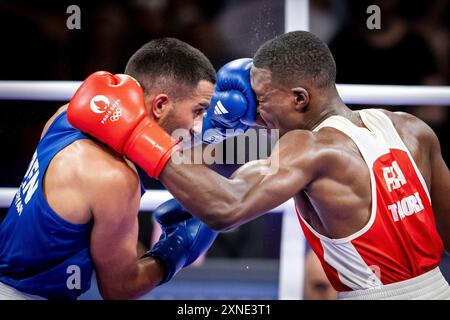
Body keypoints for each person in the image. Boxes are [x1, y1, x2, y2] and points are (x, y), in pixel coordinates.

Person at [68, 31, 450, 299]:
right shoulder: (411, 128)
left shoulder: (309, 148)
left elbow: (226, 207)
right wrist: (213, 136)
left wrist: (136, 135)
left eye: (262, 100)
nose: (255, 114)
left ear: (299, 98)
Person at [0, 38, 218, 300]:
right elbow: (119, 289)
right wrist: (175, 251)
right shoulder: (114, 178)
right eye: (198, 110)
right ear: (160, 105)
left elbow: (66, 236)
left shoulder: (65, 116)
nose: (199, 127)